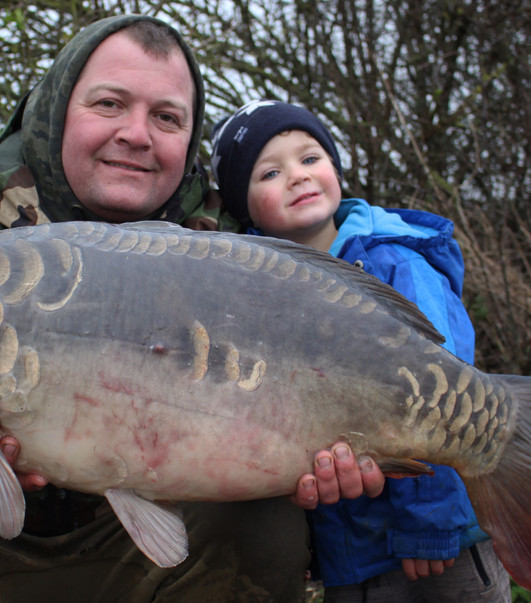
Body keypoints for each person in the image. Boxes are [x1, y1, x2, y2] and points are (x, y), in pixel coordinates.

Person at [0, 17, 383, 603]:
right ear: (56, 111)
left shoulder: (231, 243)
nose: (137, 134)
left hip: (163, 528)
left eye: (167, 117)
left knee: (268, 526)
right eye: (109, 104)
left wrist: (329, 454)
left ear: (189, 139)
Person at [210, 100, 512, 602]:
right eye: (270, 173)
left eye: (310, 158)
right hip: (348, 557)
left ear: (335, 166)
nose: (298, 176)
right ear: (243, 205)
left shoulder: (396, 264)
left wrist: (429, 524)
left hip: (436, 546)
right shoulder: (245, 286)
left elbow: (444, 399)